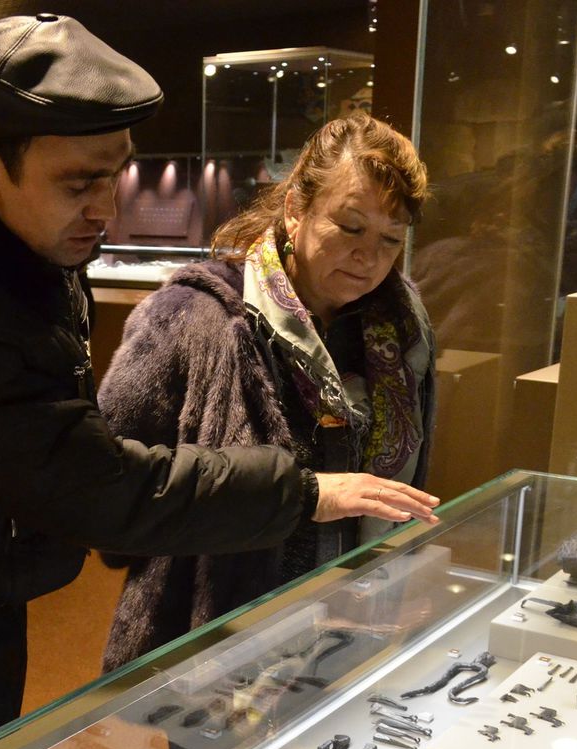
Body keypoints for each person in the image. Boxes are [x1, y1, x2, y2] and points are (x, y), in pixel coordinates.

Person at [0, 15, 436, 749]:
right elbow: (103, 489)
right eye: (79, 182)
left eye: (114, 173)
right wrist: (306, 492)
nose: (107, 206)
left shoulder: (13, 239)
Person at [97, 112, 439, 670]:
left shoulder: (401, 329)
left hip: (356, 633)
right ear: (296, 208)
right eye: (350, 227)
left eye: (390, 239)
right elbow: (112, 492)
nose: (370, 257)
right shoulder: (192, 317)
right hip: (217, 648)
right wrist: (298, 498)